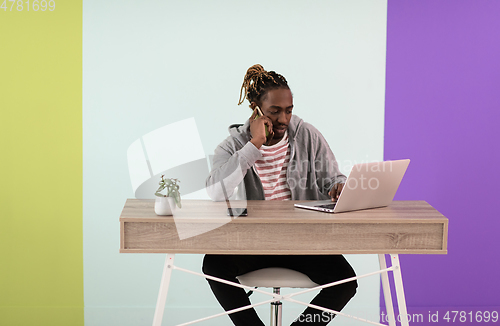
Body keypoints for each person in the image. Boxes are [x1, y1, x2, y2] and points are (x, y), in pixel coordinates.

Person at [203, 64, 357, 326]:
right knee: (214, 267)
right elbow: (216, 192)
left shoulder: (307, 135)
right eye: (275, 111)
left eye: (288, 110)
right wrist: (254, 146)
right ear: (256, 107)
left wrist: (338, 186)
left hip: (301, 240)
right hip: (253, 242)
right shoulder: (233, 146)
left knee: (345, 282)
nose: (284, 119)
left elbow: (333, 177)